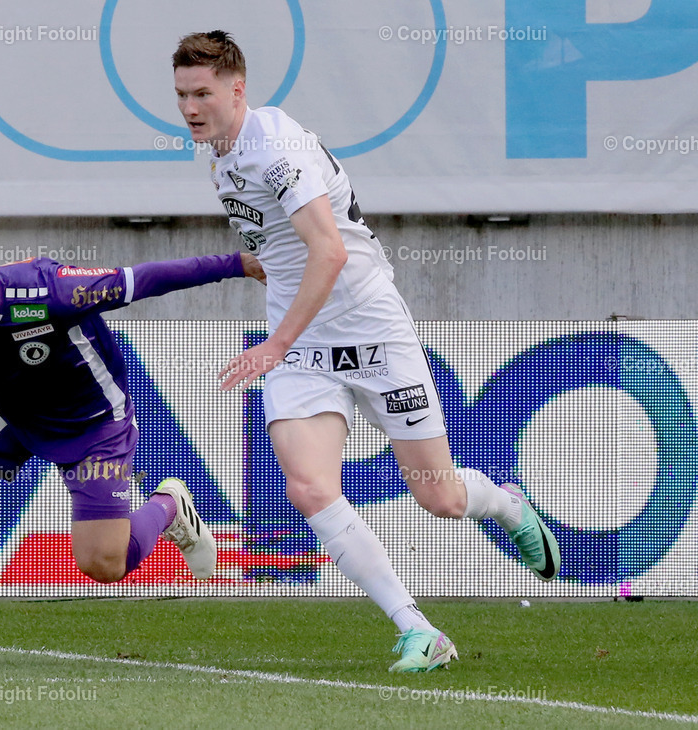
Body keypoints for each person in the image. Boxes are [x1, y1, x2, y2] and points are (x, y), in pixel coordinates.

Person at [171, 31, 561, 672]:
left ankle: (505, 504)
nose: (190, 107)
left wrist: (275, 343)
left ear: (237, 89)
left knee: (439, 495)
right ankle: (418, 629)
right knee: (308, 485)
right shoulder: (218, 153)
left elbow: (331, 251)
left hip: (368, 327)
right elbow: (286, 246)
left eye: (203, 93)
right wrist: (257, 273)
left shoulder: (276, 148)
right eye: (183, 94)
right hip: (301, 343)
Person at [0, 219, 265, 664]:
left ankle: (168, 504)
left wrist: (237, 263)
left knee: (104, 565)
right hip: (8, 412)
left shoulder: (50, 290)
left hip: (90, 425)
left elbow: (146, 278)